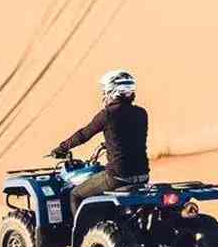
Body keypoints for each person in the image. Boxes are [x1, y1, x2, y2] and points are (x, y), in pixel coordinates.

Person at [50, 69, 150, 219]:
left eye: (105, 90)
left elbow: (83, 135)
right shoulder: (141, 113)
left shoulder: (107, 114)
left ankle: (83, 233)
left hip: (117, 176)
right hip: (143, 175)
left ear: (112, 91)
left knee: (75, 194)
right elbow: (130, 136)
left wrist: (61, 148)